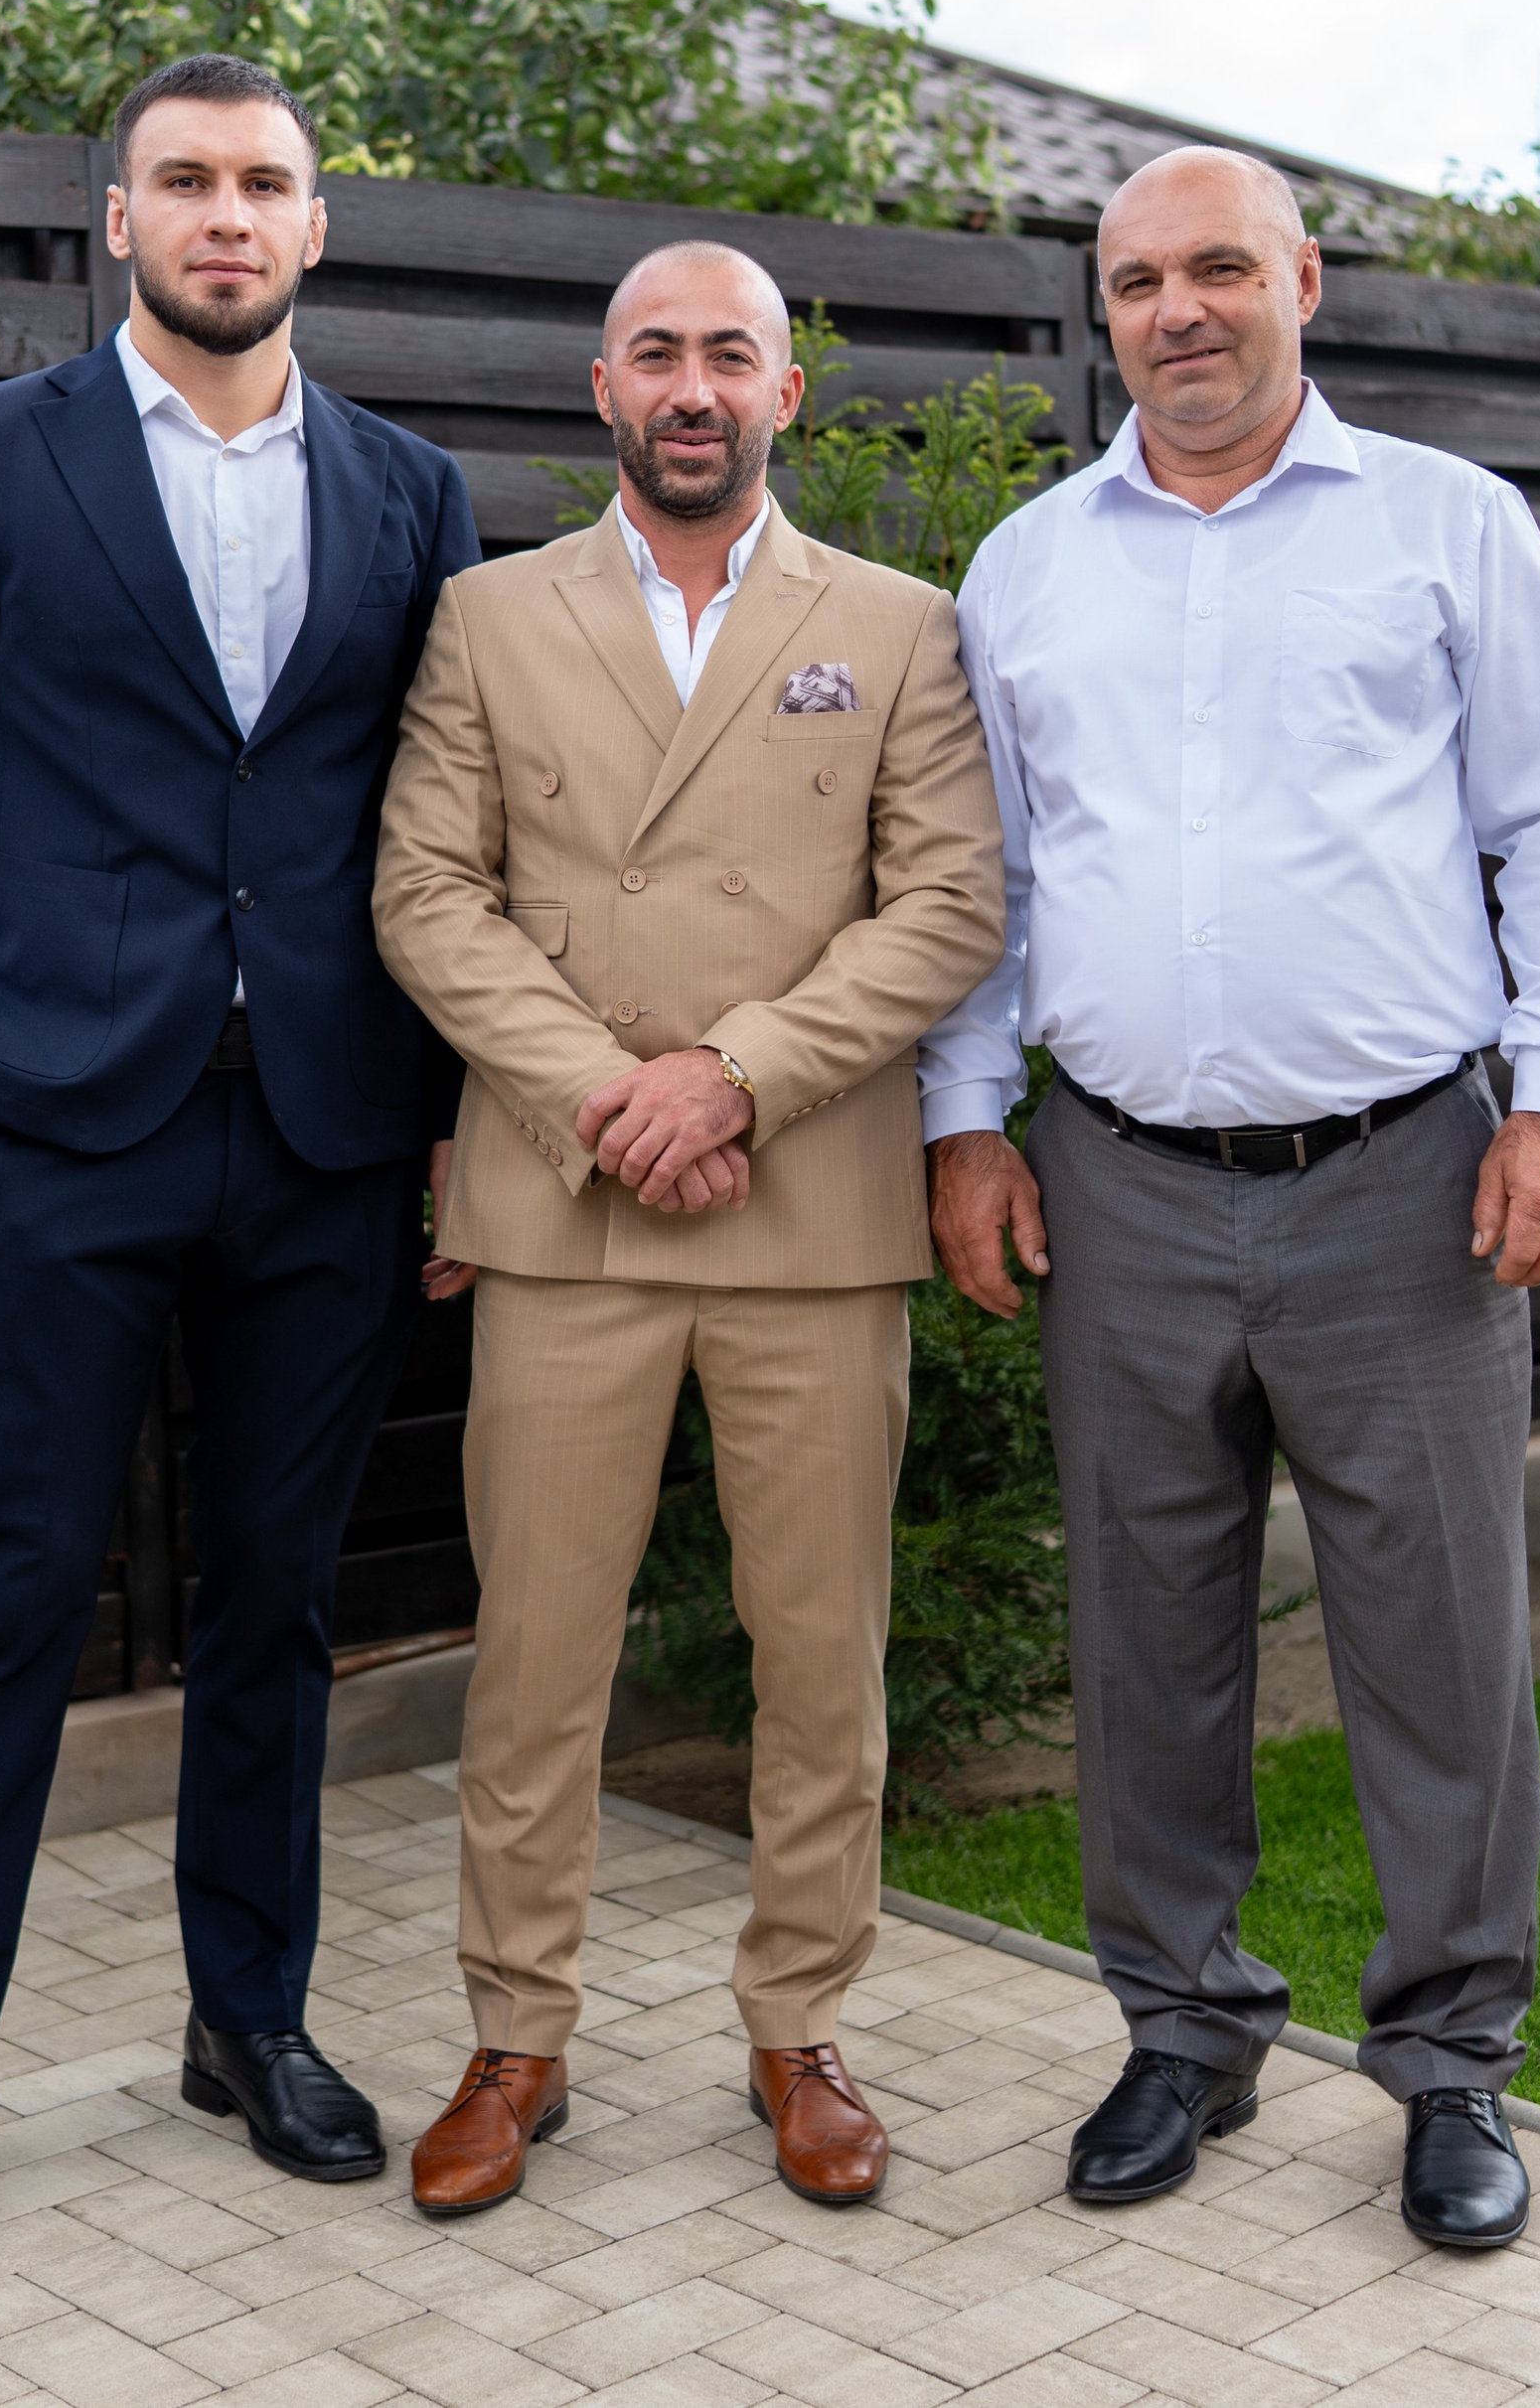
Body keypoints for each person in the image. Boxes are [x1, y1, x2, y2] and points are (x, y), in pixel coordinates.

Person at [922, 148, 1540, 2255]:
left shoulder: (1445, 527)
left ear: (1299, 280)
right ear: (1103, 312)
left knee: (1435, 1644)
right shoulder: (1027, 567)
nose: (1177, 311)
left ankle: (1447, 2069)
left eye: (1216, 267)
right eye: (1134, 279)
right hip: (1115, 1182)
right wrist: (968, 1125)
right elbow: (996, 891)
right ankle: (1180, 2027)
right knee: (1143, 1638)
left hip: (1402, 1182)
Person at [0, 54, 479, 2293]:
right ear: (114, 219)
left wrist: (457, 1110)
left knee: (274, 1609)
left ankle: (247, 2018)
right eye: (181, 181)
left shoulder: (409, 492)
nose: (223, 214)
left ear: (315, 227)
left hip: (322, 1133)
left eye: (262, 183)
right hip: (54, 1131)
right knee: (4, 1609)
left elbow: (437, 822)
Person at [370, 240, 1005, 2216]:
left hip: (801, 1206)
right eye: (656, 352)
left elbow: (946, 908)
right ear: (601, 390)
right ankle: (513, 2037)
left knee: (820, 1656)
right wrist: (603, 1100)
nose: (691, 386)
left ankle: (798, 2029)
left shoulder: (898, 628)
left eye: (729, 353)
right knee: (533, 1661)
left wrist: (725, 1076)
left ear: (783, 395)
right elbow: (423, 896)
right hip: (563, 1212)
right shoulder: (484, 616)